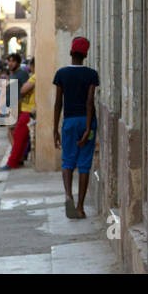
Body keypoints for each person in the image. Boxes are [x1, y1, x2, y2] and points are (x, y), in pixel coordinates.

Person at [53, 36, 99, 218]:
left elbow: (58, 103)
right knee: (85, 164)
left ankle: (68, 195)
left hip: (69, 122)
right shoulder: (91, 74)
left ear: (71, 52)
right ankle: (80, 208)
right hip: (87, 121)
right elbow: (90, 101)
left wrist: (54, 129)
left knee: (68, 161)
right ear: (85, 54)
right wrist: (88, 128)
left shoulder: (61, 74)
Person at [1, 65, 36, 170]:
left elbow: (22, 91)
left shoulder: (35, 77)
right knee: (21, 138)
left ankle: (12, 162)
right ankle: (18, 159)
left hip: (28, 111)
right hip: (25, 110)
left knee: (18, 136)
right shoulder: (33, 77)